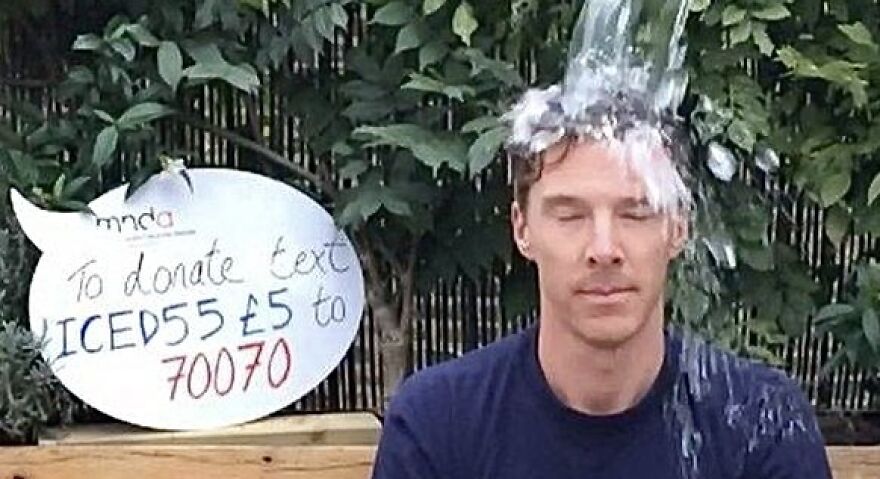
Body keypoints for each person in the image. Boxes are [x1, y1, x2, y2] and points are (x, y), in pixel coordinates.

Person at [372, 1, 833, 477]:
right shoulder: (438, 425)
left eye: (635, 213)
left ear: (679, 226)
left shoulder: (761, 425)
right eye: (570, 215)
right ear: (522, 228)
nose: (604, 248)